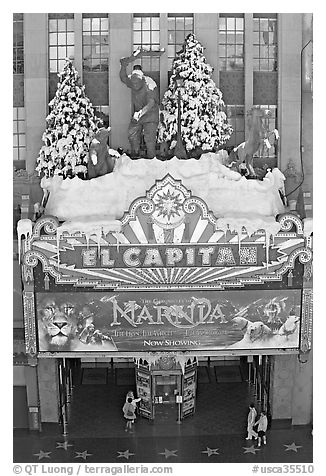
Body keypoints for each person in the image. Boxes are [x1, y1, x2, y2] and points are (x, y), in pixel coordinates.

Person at [119, 56, 159, 158]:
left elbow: (151, 103)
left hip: (150, 114)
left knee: (149, 138)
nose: (135, 85)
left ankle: (151, 158)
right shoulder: (133, 81)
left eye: (137, 83)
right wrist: (123, 66)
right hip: (138, 115)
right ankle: (135, 156)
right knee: (132, 133)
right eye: (133, 83)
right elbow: (123, 78)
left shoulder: (150, 85)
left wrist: (140, 113)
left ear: (142, 80)